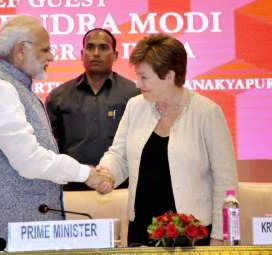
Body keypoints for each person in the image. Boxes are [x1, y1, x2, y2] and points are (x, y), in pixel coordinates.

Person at [0, 15, 113, 248]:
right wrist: (86, 174)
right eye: (45, 49)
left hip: (18, 227)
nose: (51, 56)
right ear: (21, 50)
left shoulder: (15, 87)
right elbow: (29, 160)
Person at [98, 33, 238, 246]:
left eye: (144, 77)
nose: (138, 83)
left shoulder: (207, 113)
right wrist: (106, 174)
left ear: (170, 76)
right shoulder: (135, 107)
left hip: (192, 233)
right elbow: (119, 155)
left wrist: (219, 236)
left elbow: (226, 182)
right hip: (142, 228)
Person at [45, 28, 139, 191]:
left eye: (103, 48)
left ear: (115, 55)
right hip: (73, 189)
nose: (96, 53)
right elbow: (50, 148)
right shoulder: (59, 96)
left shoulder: (134, 95)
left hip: (123, 188)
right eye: (90, 47)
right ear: (82, 54)